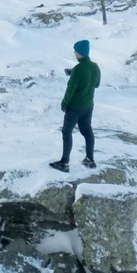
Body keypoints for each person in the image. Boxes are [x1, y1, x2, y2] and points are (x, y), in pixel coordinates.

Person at [51, 40, 100, 173]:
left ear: (80, 53)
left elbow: (70, 89)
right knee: (87, 130)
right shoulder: (95, 67)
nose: (74, 53)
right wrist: (75, 73)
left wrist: (64, 104)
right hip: (88, 106)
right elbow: (96, 84)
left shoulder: (78, 69)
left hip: (75, 106)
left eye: (76, 51)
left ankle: (64, 162)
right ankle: (90, 159)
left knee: (67, 132)